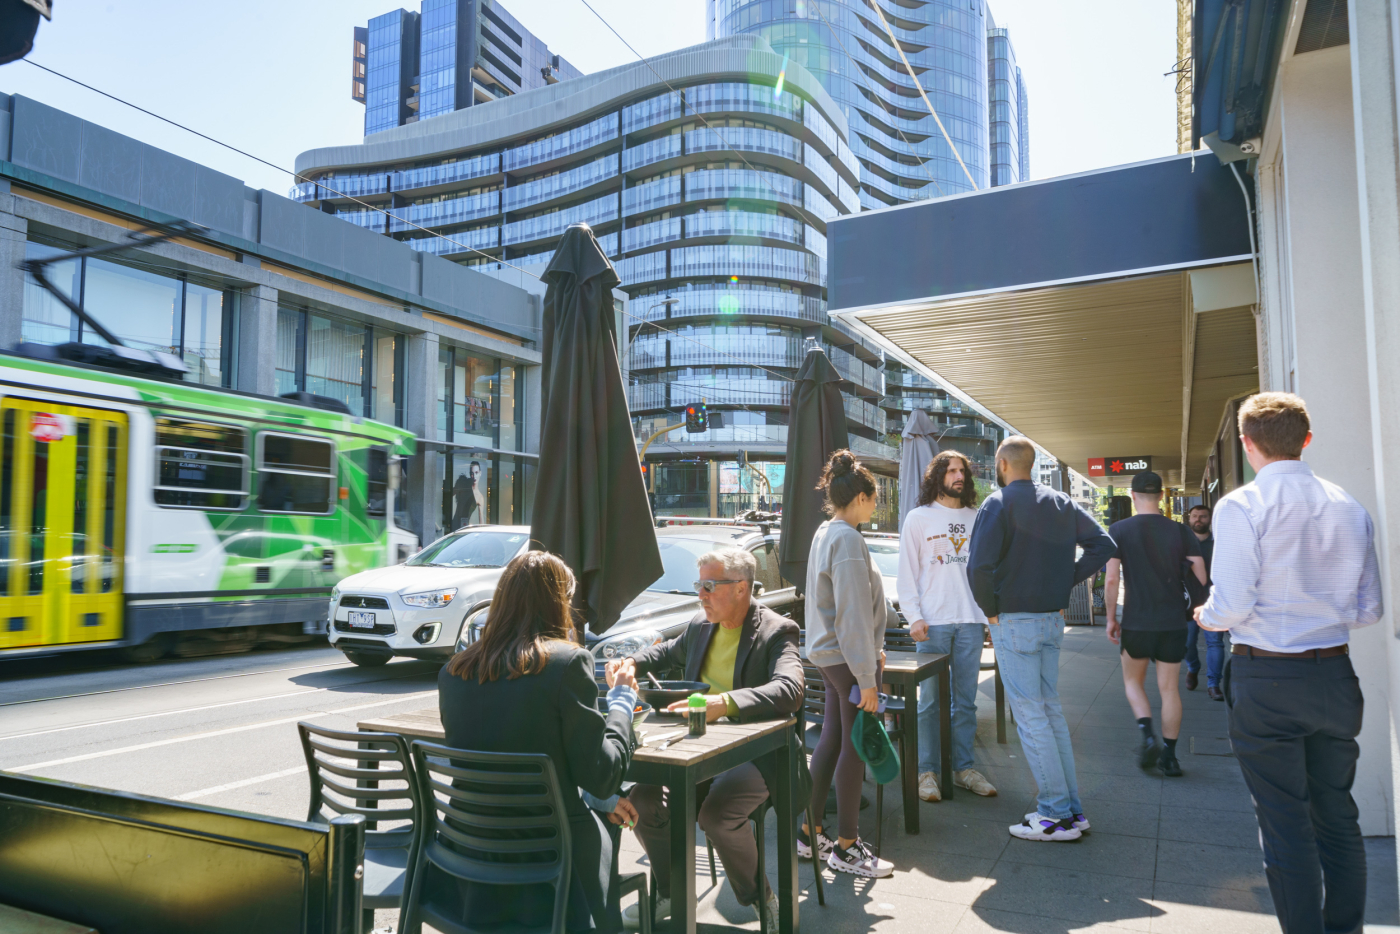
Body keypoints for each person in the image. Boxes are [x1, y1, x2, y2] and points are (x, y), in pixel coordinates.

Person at [1195, 392, 1381, 934]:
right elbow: (1368, 609)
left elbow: (1231, 605)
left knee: (1284, 825)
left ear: (1247, 444)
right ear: (1307, 439)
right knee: (1338, 818)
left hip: (1268, 674)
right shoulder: (1349, 505)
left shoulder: (1243, 505)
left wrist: (1206, 615)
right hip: (1335, 674)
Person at [437, 551, 638, 932]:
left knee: (603, 808)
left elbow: (510, 747)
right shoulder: (567, 663)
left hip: (470, 851)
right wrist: (622, 703)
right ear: (558, 602)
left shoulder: (454, 670)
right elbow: (601, 775)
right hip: (551, 853)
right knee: (604, 819)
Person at [618, 546, 805, 929]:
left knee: (718, 816)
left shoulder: (776, 630)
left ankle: (761, 898)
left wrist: (726, 703)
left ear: (741, 588)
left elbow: (790, 689)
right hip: (697, 750)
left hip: (757, 754)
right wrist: (631, 662)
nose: (700, 595)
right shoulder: (700, 625)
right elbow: (665, 653)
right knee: (642, 802)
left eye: (709, 586)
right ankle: (672, 894)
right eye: (698, 585)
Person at [967, 436, 1116, 842]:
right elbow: (1103, 544)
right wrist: (1063, 582)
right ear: (1030, 464)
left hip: (1014, 619)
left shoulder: (997, 504)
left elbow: (978, 567)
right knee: (1050, 712)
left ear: (1001, 464)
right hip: (1051, 618)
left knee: (1032, 716)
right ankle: (1071, 810)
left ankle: (1053, 814)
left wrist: (990, 609)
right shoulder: (1060, 502)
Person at [803, 449, 894, 877]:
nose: (875, 508)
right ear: (861, 497)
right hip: (846, 657)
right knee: (855, 746)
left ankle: (810, 832)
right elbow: (853, 613)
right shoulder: (848, 540)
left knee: (833, 739)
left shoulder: (826, 531)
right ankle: (846, 846)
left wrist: (869, 653)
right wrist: (867, 676)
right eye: (874, 499)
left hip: (828, 653)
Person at [897, 449, 997, 802]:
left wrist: (987, 616)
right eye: (951, 470)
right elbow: (906, 573)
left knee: (966, 702)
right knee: (929, 702)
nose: (959, 476)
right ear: (937, 476)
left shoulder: (977, 517)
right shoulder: (918, 518)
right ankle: (927, 771)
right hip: (933, 623)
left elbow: (988, 570)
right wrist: (914, 616)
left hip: (970, 620)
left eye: (962, 471)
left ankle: (963, 768)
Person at [1103, 471, 1207, 777]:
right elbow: (1201, 575)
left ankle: (1148, 737)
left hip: (1136, 621)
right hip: (1173, 622)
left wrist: (1111, 618)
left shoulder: (1118, 530)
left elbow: (1111, 579)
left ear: (1133, 496)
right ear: (1161, 495)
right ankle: (1170, 758)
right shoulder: (1181, 531)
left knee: (1133, 682)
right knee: (1169, 689)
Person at [1181, 504, 1225, 700]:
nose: (1198, 519)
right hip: (1188, 602)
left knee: (1215, 643)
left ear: (1210, 519)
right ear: (1189, 518)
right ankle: (1193, 667)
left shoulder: (1220, 544)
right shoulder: (1181, 544)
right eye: (1195, 516)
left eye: (1203, 516)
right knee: (1187, 643)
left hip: (1214, 601)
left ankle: (1213, 684)